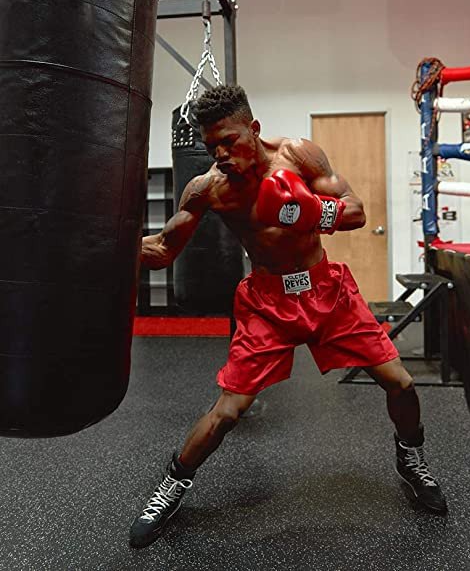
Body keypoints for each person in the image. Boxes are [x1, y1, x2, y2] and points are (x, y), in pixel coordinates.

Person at [130, 85, 447, 549]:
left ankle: (410, 456)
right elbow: (163, 249)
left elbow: (356, 213)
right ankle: (173, 485)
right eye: (210, 144)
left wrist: (306, 211)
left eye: (229, 141)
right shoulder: (209, 188)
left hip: (327, 290)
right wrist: (106, 245)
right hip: (266, 304)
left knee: (399, 382)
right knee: (228, 412)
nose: (220, 154)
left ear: (253, 130)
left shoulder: (299, 156)